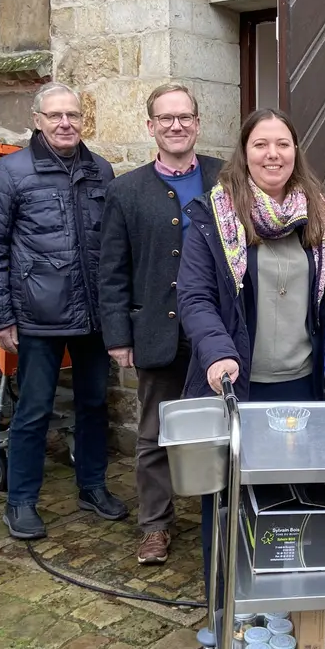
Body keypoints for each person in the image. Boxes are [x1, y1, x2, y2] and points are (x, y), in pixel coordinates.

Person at [176, 107, 325, 589]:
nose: (272, 154)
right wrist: (217, 351)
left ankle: (289, 596)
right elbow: (194, 296)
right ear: (245, 152)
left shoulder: (319, 217)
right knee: (229, 499)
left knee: (297, 499)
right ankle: (225, 600)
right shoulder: (214, 216)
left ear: (295, 152)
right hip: (239, 390)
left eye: (282, 143)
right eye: (261, 144)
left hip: (303, 388)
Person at [0, 82, 125, 540]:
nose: (66, 123)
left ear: (84, 120)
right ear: (37, 120)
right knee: (34, 408)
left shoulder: (102, 170)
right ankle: (20, 501)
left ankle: (93, 485)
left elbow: (115, 247)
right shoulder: (10, 173)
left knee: (94, 403)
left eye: (73, 115)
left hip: (95, 317)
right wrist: (0, 317)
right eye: (55, 115)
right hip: (37, 317)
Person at [98, 83, 224, 566]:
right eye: (166, 118)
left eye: (185, 117)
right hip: (157, 331)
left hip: (218, 332)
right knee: (154, 433)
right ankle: (155, 525)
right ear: (150, 126)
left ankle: (227, 514)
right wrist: (118, 336)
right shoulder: (126, 191)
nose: (176, 125)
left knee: (224, 429)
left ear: (197, 122)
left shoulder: (226, 178)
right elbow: (111, 269)